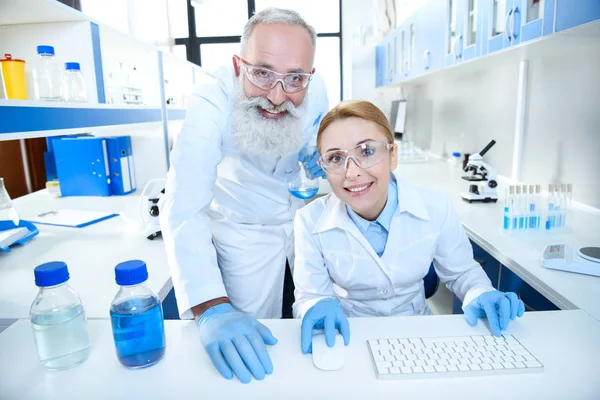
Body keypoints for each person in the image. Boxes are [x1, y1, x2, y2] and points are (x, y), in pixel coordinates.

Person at [159, 8, 329, 383]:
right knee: (250, 350)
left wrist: (318, 150)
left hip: (300, 224)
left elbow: (318, 130)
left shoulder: (315, 90)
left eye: (295, 78)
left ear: (309, 76)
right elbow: (184, 207)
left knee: (316, 338)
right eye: (262, 73)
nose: (277, 95)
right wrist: (211, 307)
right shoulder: (210, 103)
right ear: (239, 66)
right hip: (243, 233)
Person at [292, 100, 524, 354]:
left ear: (393, 156)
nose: (352, 173)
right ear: (323, 167)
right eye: (336, 158)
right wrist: (315, 304)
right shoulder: (309, 221)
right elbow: (309, 297)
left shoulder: (436, 208)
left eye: (367, 151)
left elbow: (462, 274)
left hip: (420, 335)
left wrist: (480, 291)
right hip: (348, 337)